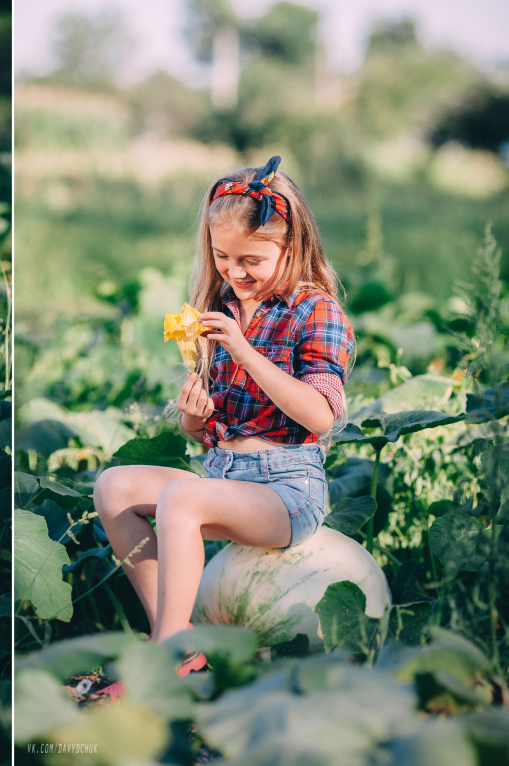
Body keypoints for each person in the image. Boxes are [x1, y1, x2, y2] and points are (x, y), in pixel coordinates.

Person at [92, 156, 354, 697]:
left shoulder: (314, 312)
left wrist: (246, 349)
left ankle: (163, 660)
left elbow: (321, 415)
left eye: (252, 260)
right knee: (114, 487)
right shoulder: (220, 307)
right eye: (222, 256)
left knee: (182, 503)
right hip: (226, 476)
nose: (235, 272)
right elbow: (204, 432)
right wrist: (194, 415)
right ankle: (181, 639)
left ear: (291, 247)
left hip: (287, 491)